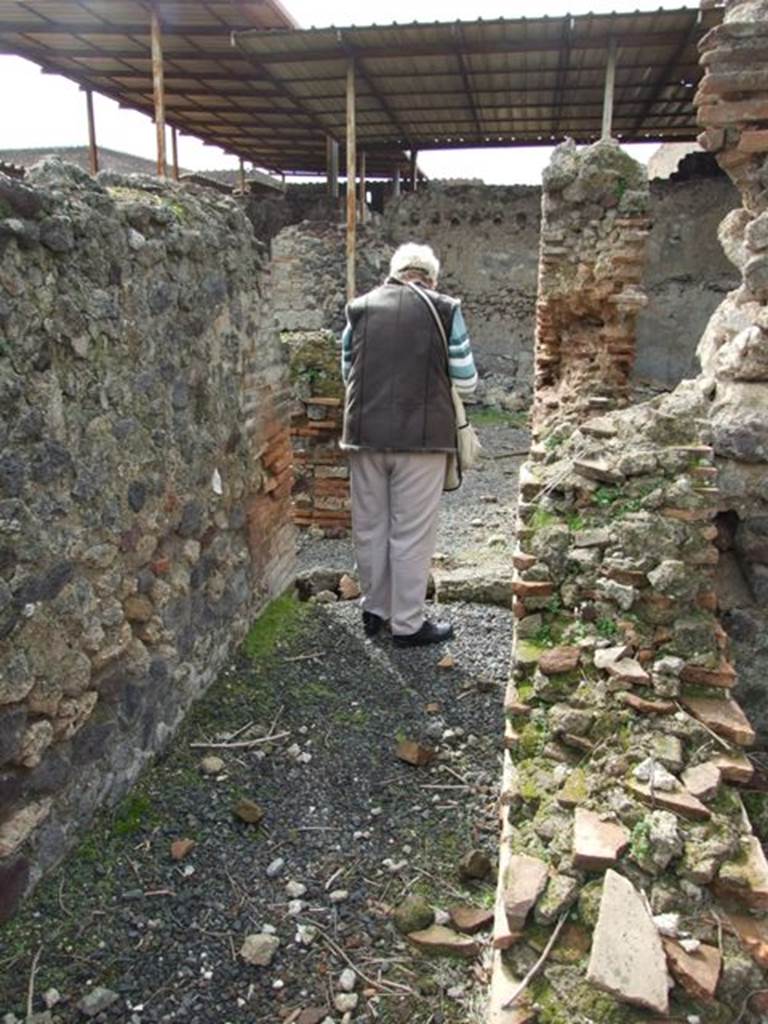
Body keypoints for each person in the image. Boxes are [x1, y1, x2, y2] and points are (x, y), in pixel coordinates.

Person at [339, 242, 478, 647]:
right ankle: (408, 624)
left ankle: (374, 611)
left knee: (370, 527)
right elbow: (467, 380)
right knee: (411, 533)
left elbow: (349, 370)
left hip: (363, 434)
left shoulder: (359, 307)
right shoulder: (444, 308)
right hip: (422, 438)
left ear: (394, 272)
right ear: (431, 277)